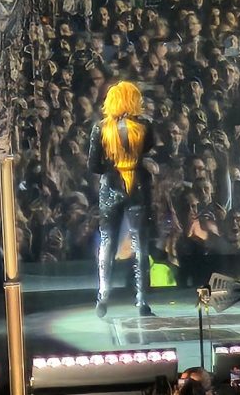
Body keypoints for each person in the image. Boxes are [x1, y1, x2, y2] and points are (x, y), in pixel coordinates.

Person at [89, 81, 155, 317]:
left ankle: (103, 295)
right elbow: (149, 147)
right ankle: (142, 300)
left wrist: (112, 164)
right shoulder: (144, 126)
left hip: (111, 188)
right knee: (140, 245)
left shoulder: (101, 128)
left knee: (107, 243)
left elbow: (93, 165)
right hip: (137, 187)